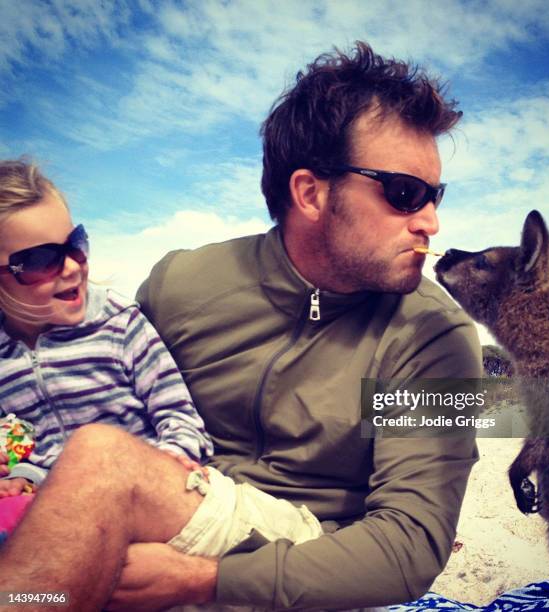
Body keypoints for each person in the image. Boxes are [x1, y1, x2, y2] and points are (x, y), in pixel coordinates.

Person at [0, 42, 482, 611]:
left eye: (435, 195)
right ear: (310, 193)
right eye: (406, 194)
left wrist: (202, 579)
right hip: (168, 513)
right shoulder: (183, 283)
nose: (431, 221)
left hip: (310, 561)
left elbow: (409, 547)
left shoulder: (435, 336)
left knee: (101, 458)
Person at [0, 159, 322, 553]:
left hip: (147, 486)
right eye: (39, 261)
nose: (71, 267)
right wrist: (23, 473)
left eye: (76, 245)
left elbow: (181, 419)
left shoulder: (118, 324)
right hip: (56, 505)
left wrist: (162, 467)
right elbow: (30, 443)